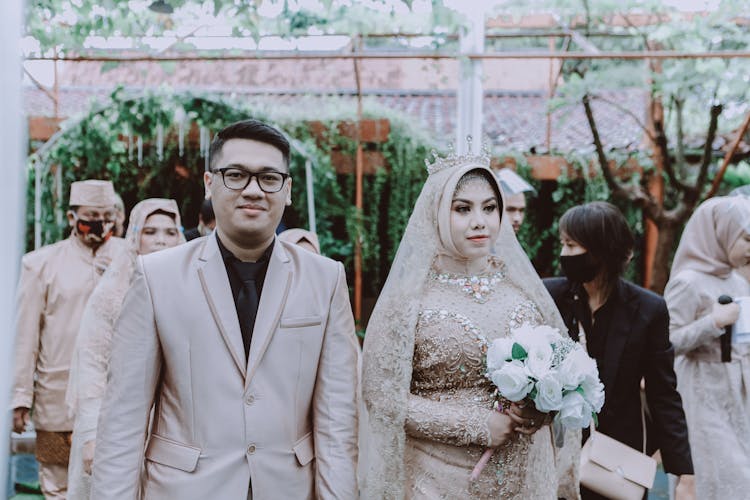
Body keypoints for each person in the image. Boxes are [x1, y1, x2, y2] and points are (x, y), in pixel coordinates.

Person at [91, 119, 360, 499]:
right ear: (209, 183)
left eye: (269, 178)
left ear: (288, 190)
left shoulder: (325, 278)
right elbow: (123, 420)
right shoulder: (157, 277)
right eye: (236, 175)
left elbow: (337, 424)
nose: (253, 190)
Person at [361, 150, 578, 499]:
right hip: (436, 482)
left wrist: (540, 410)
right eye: (463, 209)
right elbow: (382, 396)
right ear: (436, 213)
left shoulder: (522, 291)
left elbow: (555, 373)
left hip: (523, 483)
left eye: (489, 208)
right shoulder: (407, 300)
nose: (480, 221)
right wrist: (477, 426)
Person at [543, 201, 695, 500]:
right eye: (563, 244)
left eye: (571, 245)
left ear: (600, 250)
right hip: (554, 449)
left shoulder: (648, 310)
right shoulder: (551, 296)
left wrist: (685, 474)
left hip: (616, 458)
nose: (564, 254)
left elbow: (663, 394)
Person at [10, 179, 126, 500]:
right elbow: (25, 336)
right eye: (91, 215)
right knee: (58, 488)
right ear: (71, 217)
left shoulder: (130, 257)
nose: (100, 223)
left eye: (107, 215)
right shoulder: (40, 265)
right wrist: (20, 397)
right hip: (56, 399)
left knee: (112, 484)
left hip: (119, 396)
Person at [66, 198, 185, 500]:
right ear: (134, 237)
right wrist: (93, 436)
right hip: (118, 426)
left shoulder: (193, 290)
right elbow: (92, 364)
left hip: (176, 430)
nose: (161, 239)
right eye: (151, 231)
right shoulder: (111, 294)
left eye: (170, 232)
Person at [663, 196, 750, 499]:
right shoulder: (688, 283)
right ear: (721, 234)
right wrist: (711, 323)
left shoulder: (738, 282)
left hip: (738, 393)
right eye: (747, 239)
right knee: (713, 476)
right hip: (701, 395)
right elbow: (666, 342)